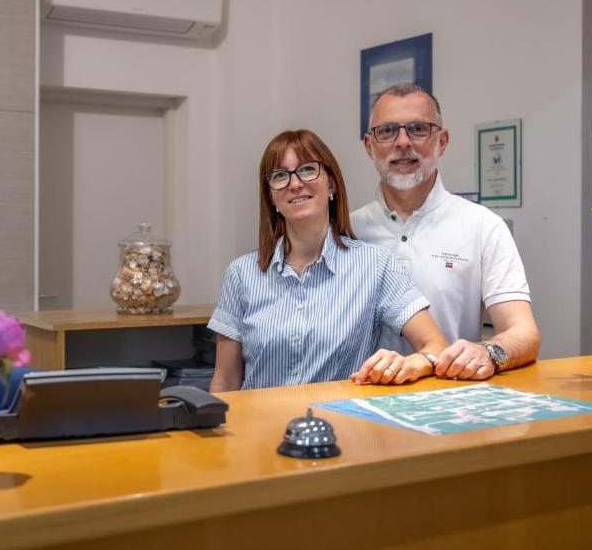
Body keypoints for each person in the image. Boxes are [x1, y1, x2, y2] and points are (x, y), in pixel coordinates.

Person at [208, 129, 448, 392]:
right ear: (270, 197)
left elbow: (436, 345)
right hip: (259, 429)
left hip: (340, 428)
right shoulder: (241, 274)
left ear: (331, 184)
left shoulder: (375, 265)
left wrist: (410, 363)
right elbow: (225, 381)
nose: (295, 183)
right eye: (280, 176)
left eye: (308, 170)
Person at [351, 83, 540, 381]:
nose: (402, 142)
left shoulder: (483, 226)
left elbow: (524, 333)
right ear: (369, 146)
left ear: (442, 141)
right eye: (387, 131)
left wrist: (489, 352)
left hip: (449, 402)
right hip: (358, 400)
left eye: (417, 128)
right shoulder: (347, 231)